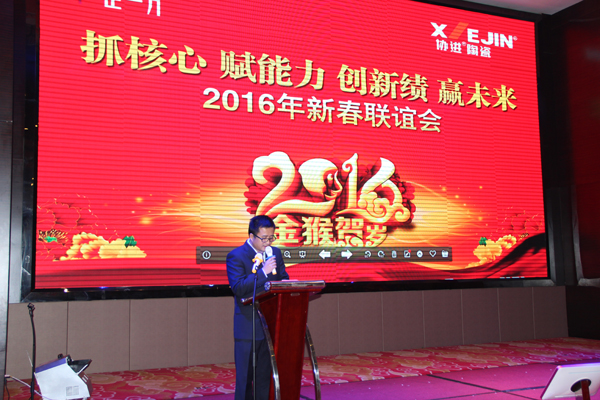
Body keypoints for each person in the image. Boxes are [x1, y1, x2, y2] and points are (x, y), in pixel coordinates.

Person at [226, 215, 289, 400]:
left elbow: (283, 279)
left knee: (264, 377)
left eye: (271, 238)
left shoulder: (275, 253)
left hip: (270, 323)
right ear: (252, 236)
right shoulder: (236, 256)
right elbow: (239, 288)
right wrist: (263, 273)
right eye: (264, 238)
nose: (268, 242)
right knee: (245, 379)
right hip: (248, 325)